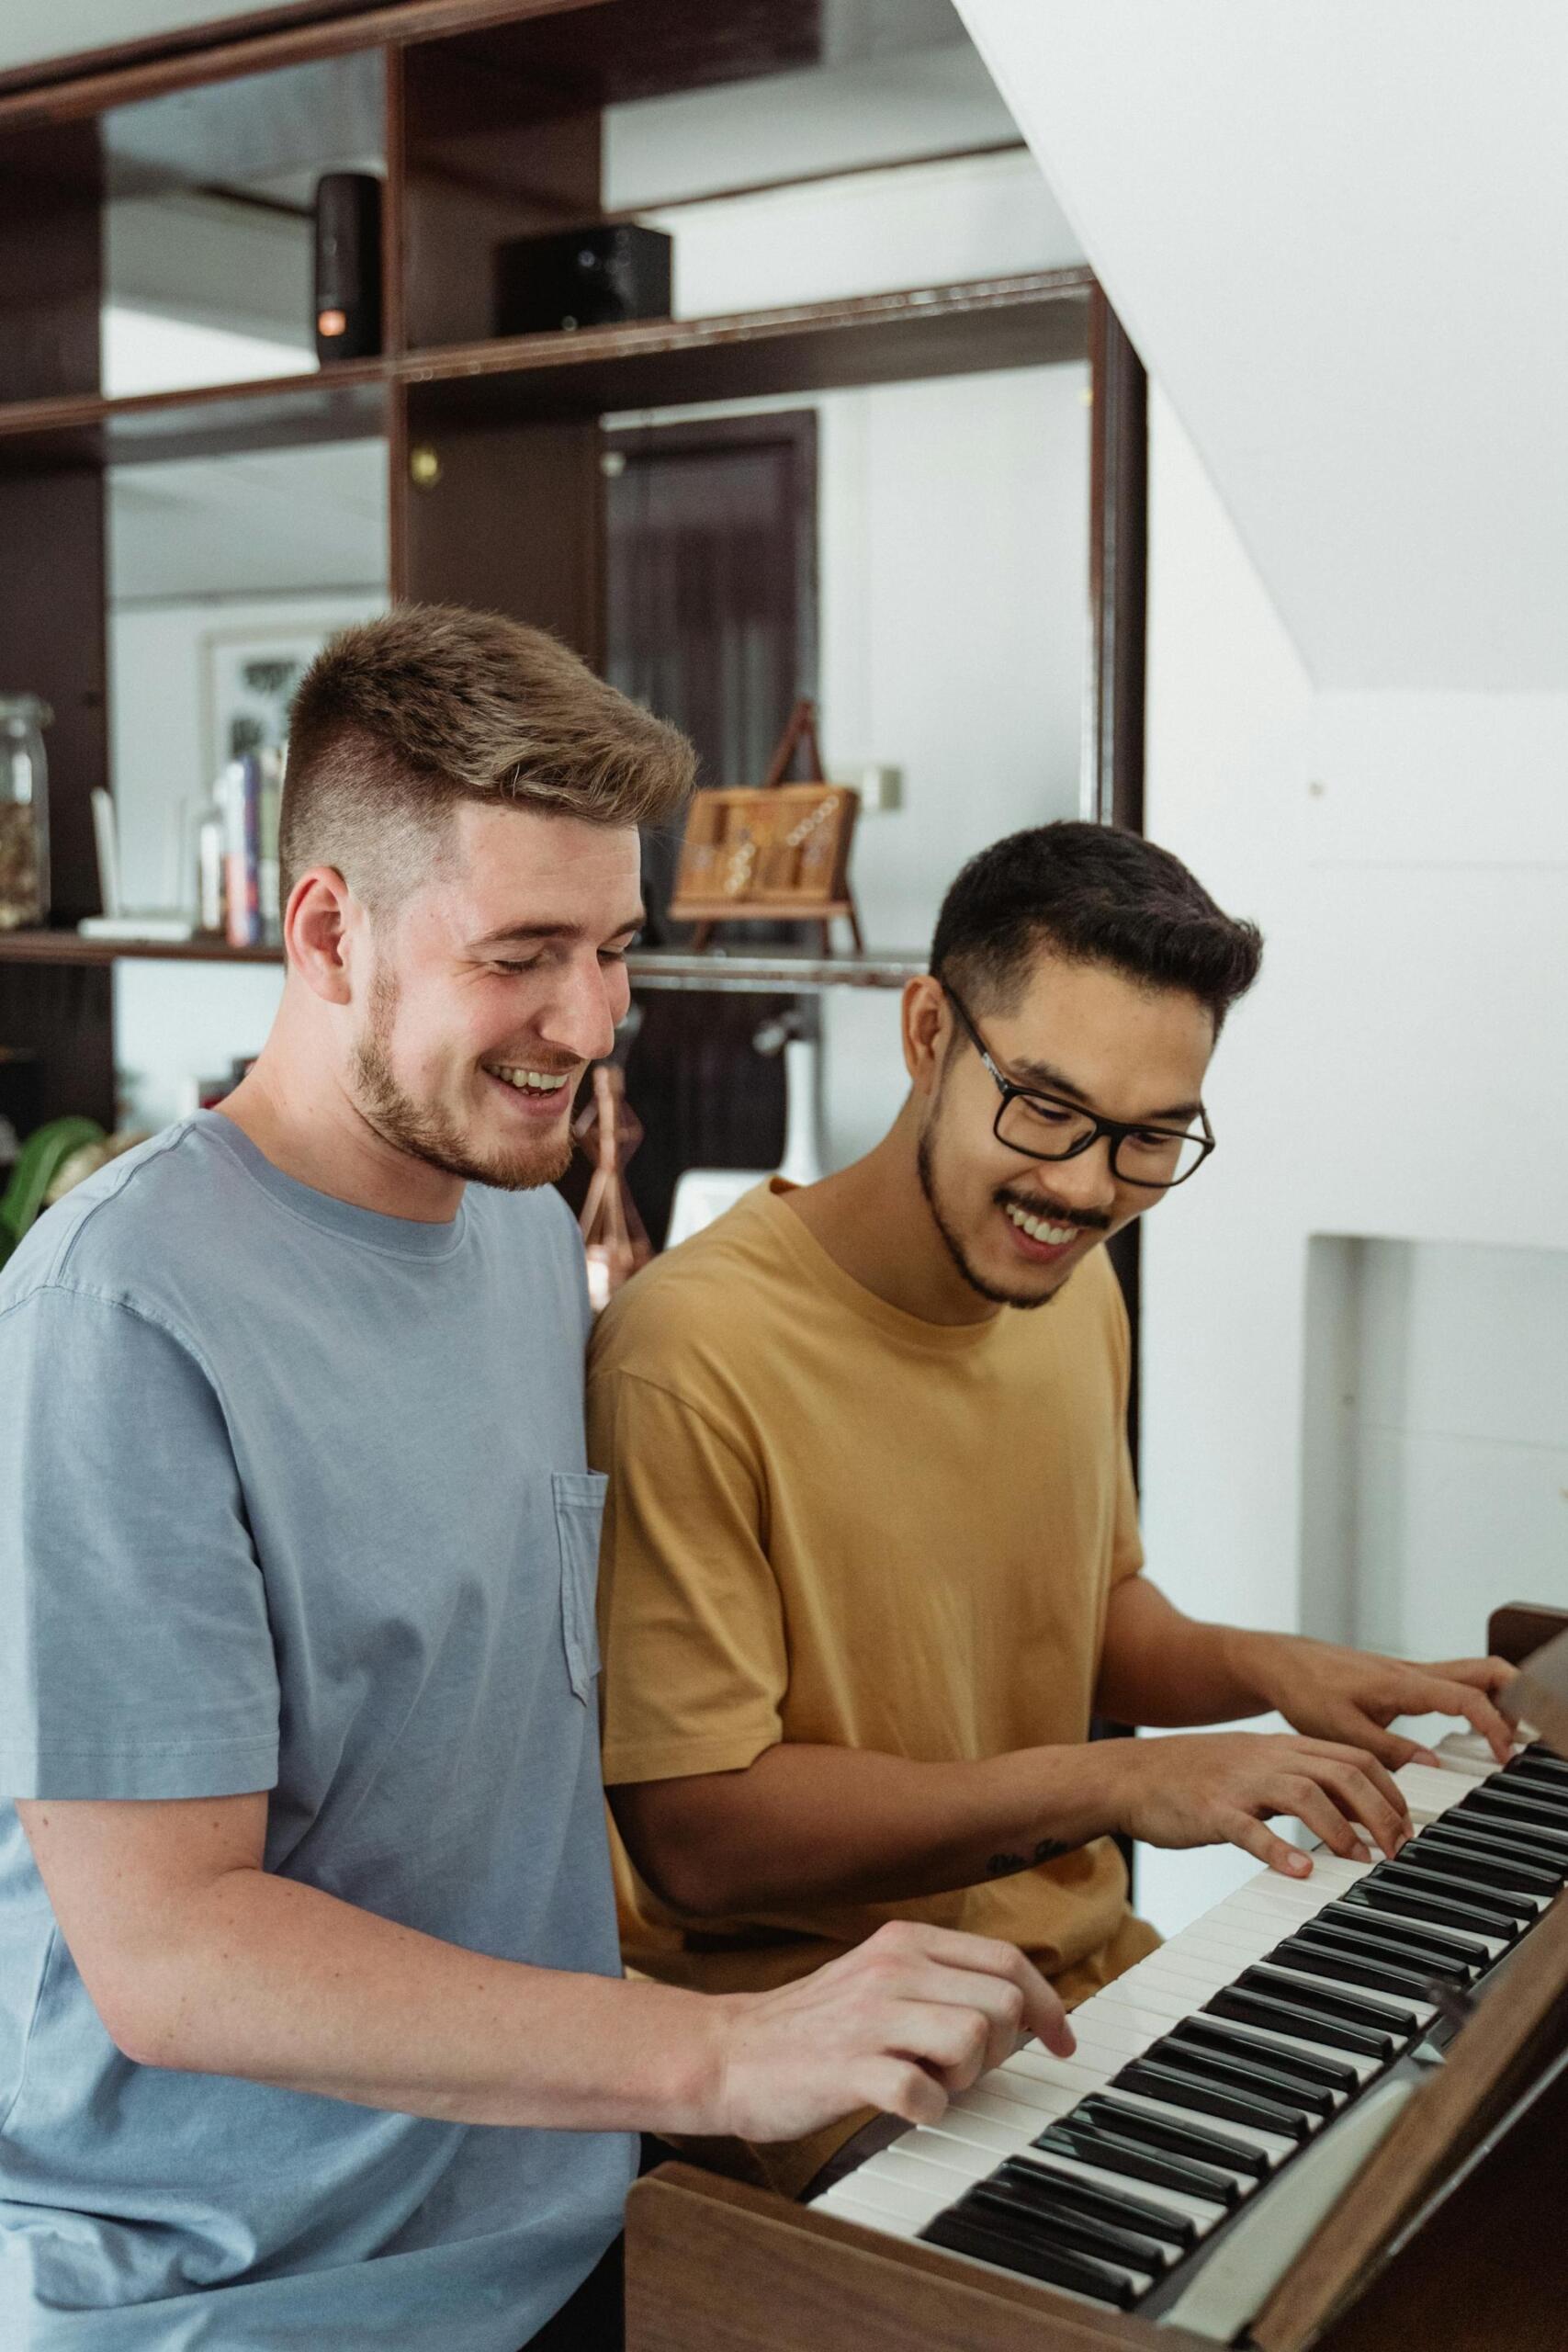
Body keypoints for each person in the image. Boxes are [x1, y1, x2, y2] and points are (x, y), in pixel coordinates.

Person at [0, 610, 1076, 2352]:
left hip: (561, 2210)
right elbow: (170, 1953)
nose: (589, 1021)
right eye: (523, 955)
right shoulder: (115, 1311)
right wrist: (721, 2050)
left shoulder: (515, 1236)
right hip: (242, 2299)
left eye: (616, 948)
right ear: (329, 931)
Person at [588, 820, 1517, 2197]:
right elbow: (701, 1837)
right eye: (1046, 1107)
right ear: (926, 1034)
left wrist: (1276, 1670)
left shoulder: (1066, 1286)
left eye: (1148, 1140)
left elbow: (1080, 1610)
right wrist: (1125, 1781)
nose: (1085, 1187)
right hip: (821, 2045)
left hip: (1071, 1986)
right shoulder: (687, 1355)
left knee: (1432, 2191)